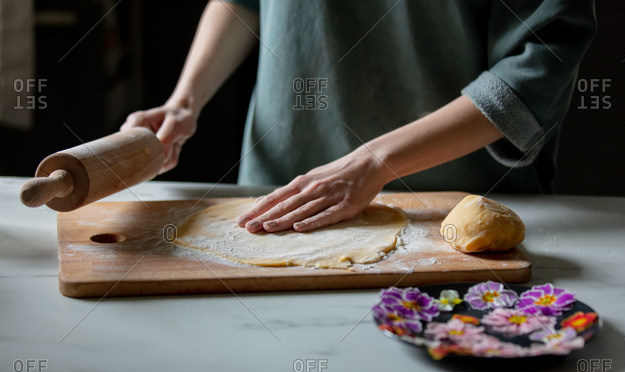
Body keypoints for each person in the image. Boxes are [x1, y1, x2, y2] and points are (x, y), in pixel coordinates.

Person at [121, 0, 596, 234]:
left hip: (451, 219)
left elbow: (541, 57)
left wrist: (373, 163)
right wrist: (183, 103)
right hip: (278, 199)